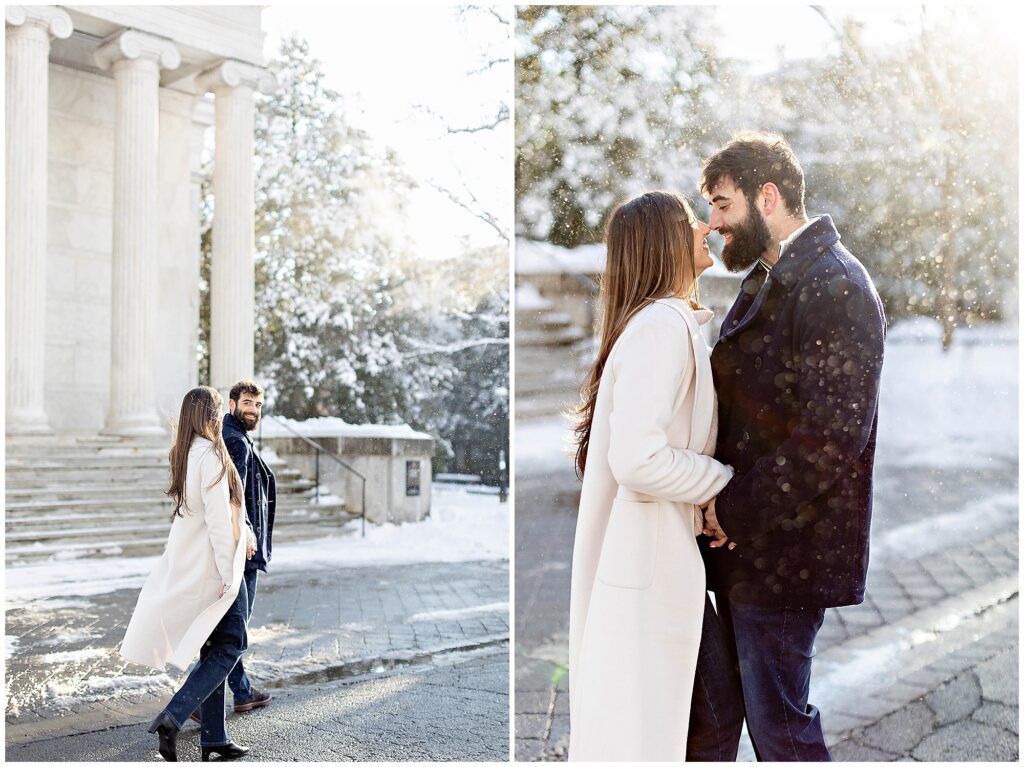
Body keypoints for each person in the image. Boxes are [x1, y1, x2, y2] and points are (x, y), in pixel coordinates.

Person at [686, 132, 886, 761]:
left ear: (766, 197)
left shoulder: (836, 285)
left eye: (723, 204)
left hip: (787, 553)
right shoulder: (772, 277)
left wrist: (733, 509)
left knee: (779, 729)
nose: (714, 223)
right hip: (751, 549)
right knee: (729, 716)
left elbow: (832, 437)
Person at [567, 190, 734, 761]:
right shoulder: (660, 325)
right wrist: (719, 483)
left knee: (692, 722)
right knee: (710, 721)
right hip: (653, 563)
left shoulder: (660, 323)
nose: (706, 229)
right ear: (666, 242)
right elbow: (638, 458)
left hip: (659, 560)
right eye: (691, 222)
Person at [120, 386, 251, 762]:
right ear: (209, 415)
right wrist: (229, 574)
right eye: (217, 410)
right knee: (232, 645)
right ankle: (174, 715)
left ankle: (214, 738)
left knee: (213, 650)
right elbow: (218, 522)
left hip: (197, 567)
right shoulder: (210, 455)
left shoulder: (185, 453)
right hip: (218, 568)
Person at [219, 380, 277, 715]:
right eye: (246, 403)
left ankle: (241, 692)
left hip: (243, 546)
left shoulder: (236, 436)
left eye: (257, 405)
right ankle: (199, 697)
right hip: (244, 550)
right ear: (232, 405)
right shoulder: (235, 441)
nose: (253, 410)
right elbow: (234, 496)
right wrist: (249, 534)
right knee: (234, 632)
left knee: (231, 631)